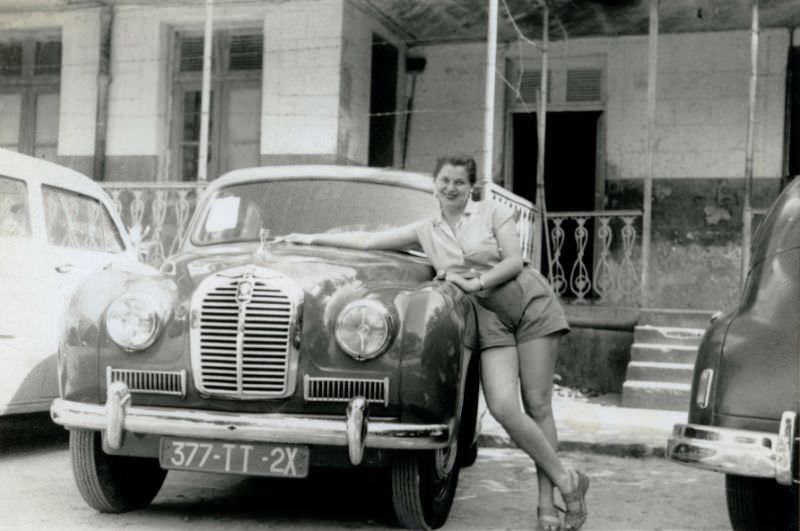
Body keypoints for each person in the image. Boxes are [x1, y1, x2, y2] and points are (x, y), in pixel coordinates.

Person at [284, 154, 589, 531]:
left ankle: (548, 504)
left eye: (459, 182)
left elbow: (513, 261)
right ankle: (568, 479)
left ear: (471, 187)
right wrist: (312, 238)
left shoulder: (492, 214)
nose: (450, 188)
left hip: (529, 305)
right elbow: (368, 239)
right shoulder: (426, 229)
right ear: (435, 183)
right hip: (488, 320)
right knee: (504, 407)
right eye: (444, 180)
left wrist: (474, 283)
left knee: (538, 406)